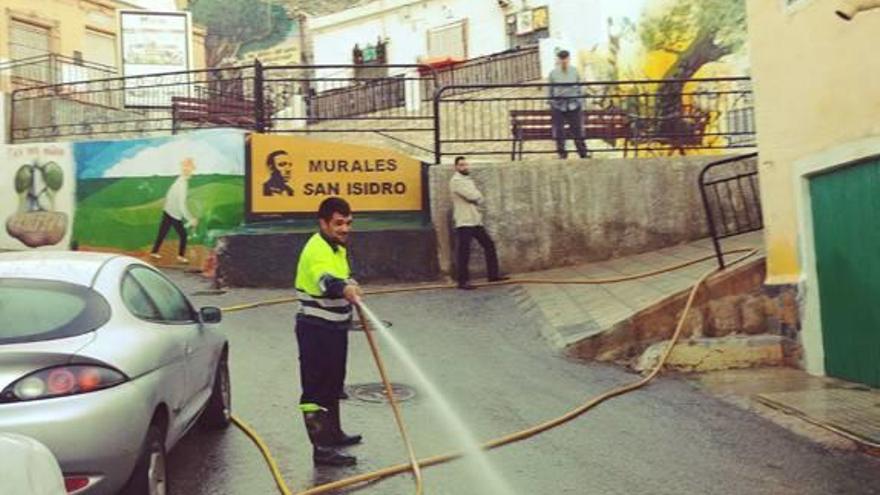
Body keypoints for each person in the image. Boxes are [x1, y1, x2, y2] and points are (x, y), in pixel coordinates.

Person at [294, 197, 363, 466]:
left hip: (335, 329)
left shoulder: (337, 247)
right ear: (323, 223)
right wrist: (344, 288)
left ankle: (334, 434)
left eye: (348, 223)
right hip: (315, 330)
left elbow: (340, 275)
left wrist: (351, 283)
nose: (345, 228)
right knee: (315, 390)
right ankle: (321, 449)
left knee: (334, 383)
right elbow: (325, 278)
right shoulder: (317, 249)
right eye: (338, 223)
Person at [449, 156, 508, 290]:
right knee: (464, 251)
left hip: (474, 220)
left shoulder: (466, 180)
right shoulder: (456, 181)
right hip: (464, 221)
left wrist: (477, 197)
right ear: (456, 167)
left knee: (489, 245)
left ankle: (493, 275)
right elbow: (474, 196)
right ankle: (462, 281)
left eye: (465, 165)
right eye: (461, 165)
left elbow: (476, 197)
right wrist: (477, 196)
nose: (464, 167)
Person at [150, 157, 198, 263]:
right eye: (190, 169)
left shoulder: (179, 180)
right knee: (183, 235)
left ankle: (154, 251)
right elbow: (181, 205)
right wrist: (191, 219)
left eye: (191, 169)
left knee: (162, 233)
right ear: (186, 170)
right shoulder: (182, 184)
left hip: (168, 211)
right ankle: (180, 256)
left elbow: (169, 196)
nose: (192, 172)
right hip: (174, 214)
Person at [547, 50, 588, 159]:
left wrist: (579, 100)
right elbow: (550, 91)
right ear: (558, 60)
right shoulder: (553, 73)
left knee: (577, 130)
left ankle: (582, 153)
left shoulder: (575, 71)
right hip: (558, 106)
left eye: (565, 58)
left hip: (573, 105)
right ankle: (562, 154)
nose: (564, 61)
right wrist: (552, 102)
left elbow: (581, 88)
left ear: (569, 59)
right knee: (559, 131)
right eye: (562, 59)